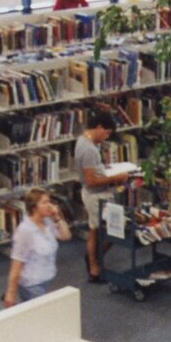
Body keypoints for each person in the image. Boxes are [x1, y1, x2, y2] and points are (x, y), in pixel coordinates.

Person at [2, 187, 72, 306]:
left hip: (45, 280)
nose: (49, 206)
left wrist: (57, 217)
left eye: (49, 202)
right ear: (34, 207)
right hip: (32, 285)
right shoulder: (25, 231)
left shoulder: (47, 222)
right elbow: (16, 265)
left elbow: (66, 236)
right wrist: (10, 294)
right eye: (44, 203)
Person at [74, 109, 118, 282]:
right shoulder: (90, 150)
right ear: (99, 127)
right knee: (113, 231)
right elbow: (91, 180)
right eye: (106, 133)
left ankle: (93, 262)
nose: (106, 137)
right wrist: (116, 178)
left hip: (91, 194)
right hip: (96, 196)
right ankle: (94, 261)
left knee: (94, 229)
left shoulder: (82, 141)